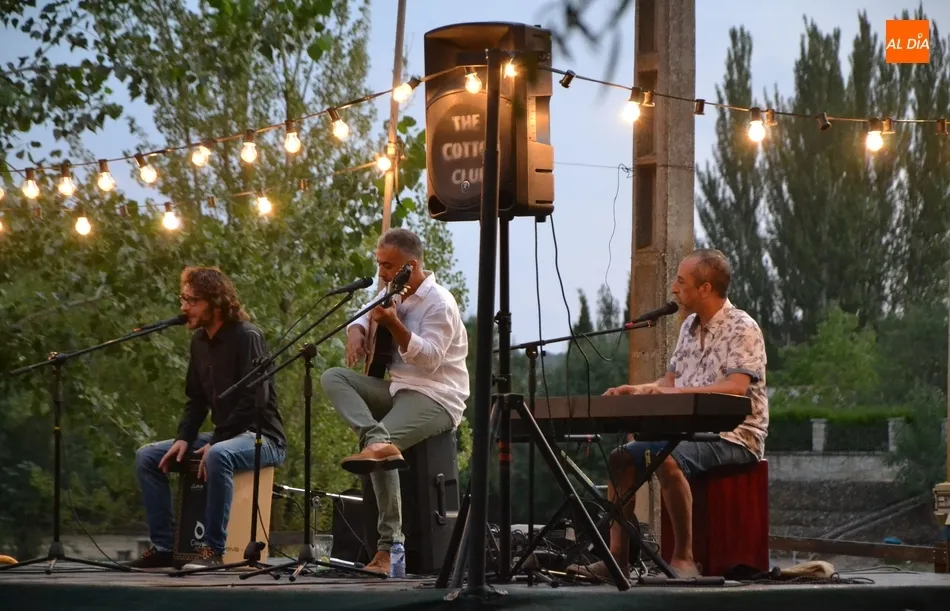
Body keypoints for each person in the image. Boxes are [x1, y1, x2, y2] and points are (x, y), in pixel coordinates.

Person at [571, 248, 768, 582]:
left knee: (668, 458)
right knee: (620, 459)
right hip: (686, 432)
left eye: (681, 281)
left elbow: (736, 387)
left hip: (735, 435)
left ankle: (684, 559)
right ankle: (616, 561)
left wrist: (670, 393)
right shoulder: (688, 326)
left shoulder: (743, 327)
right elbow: (670, 383)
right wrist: (637, 390)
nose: (674, 289)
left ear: (705, 288)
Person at [321, 228, 469, 575]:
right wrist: (356, 331)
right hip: (397, 389)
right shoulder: (392, 289)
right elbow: (364, 312)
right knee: (333, 377)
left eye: (387, 266)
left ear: (410, 266)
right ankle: (375, 437)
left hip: (437, 395)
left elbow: (429, 360)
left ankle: (391, 549)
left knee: (379, 447)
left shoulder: (440, 303)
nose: (381, 272)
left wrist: (394, 326)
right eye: (379, 264)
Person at [125, 266, 287, 570]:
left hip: (263, 438)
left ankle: (213, 550)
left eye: (192, 300)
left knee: (218, 455)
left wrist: (218, 440)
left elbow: (255, 400)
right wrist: (183, 438)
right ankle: (165, 547)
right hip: (224, 435)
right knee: (147, 457)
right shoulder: (199, 341)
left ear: (216, 302)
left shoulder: (247, 336)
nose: (184, 307)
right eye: (183, 299)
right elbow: (196, 400)